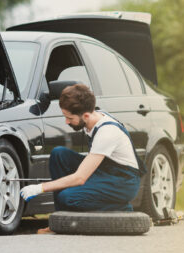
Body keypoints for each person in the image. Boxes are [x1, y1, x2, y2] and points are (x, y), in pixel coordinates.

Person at [19, 84, 145, 234]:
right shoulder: (92, 117)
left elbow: (80, 178)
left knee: (68, 198)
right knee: (59, 154)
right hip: (106, 171)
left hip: (123, 182)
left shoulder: (107, 132)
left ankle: (121, 208)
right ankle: (61, 221)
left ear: (85, 116)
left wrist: (40, 188)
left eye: (69, 118)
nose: (66, 122)